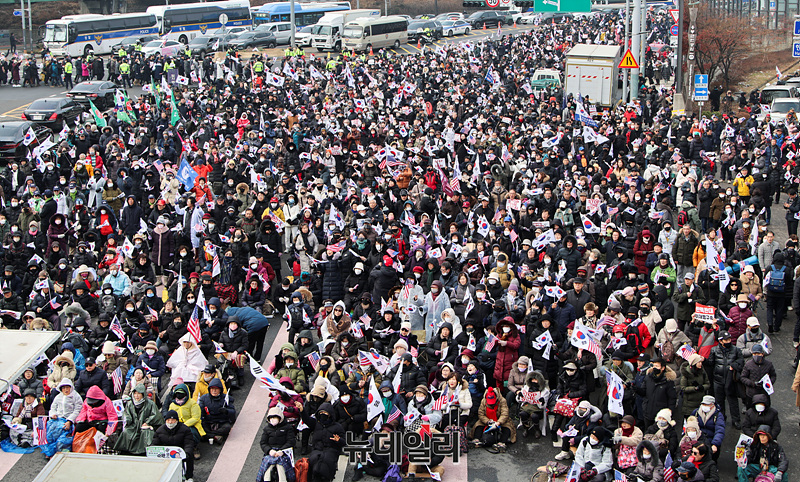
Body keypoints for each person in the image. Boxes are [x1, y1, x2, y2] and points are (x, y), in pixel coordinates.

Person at [114, 384, 163, 454]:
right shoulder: (130, 404)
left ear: (143, 394)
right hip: (133, 425)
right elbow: (126, 414)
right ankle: (125, 450)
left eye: (139, 394)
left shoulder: (150, 404)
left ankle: (144, 451)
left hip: (145, 425)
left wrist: (147, 422)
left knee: (146, 433)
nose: (136, 396)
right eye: (135, 393)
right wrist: (127, 420)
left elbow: (155, 416)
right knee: (126, 432)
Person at [153, 410, 196, 482]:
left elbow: (189, 443)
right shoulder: (159, 430)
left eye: (172, 420)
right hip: (166, 454)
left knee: (190, 455)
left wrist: (186, 453)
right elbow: (155, 443)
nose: (170, 422)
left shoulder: (185, 429)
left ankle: (188, 476)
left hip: (180, 452)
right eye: (168, 420)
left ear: (176, 420)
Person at [258, 407, 297, 482]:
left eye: (274, 417)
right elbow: (263, 442)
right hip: (271, 452)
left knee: (280, 465)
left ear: (280, 417)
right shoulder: (266, 429)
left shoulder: (288, 427)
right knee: (268, 465)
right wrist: (269, 451)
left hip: (284, 452)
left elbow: (291, 441)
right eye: (271, 418)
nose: (272, 419)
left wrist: (282, 451)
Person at [198, 378, 236, 444]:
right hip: (208, 422)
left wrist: (226, 411)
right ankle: (215, 436)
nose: (214, 391)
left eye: (216, 389)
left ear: (220, 390)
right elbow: (200, 413)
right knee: (200, 426)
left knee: (227, 427)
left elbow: (233, 412)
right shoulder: (203, 398)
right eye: (212, 389)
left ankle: (209, 435)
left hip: (221, 422)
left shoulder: (226, 398)